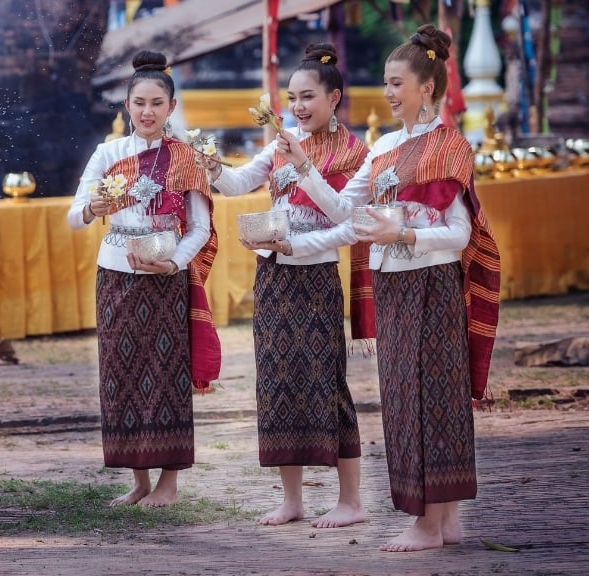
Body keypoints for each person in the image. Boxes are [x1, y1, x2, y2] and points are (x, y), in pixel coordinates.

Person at [287, 25, 501, 551]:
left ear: (426, 87)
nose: (387, 92)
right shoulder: (383, 146)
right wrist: (305, 171)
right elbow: (345, 210)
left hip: (431, 284)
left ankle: (433, 522)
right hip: (393, 285)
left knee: (434, 401)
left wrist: (402, 232)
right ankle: (441, 522)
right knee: (405, 400)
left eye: (396, 82)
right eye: (385, 82)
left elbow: (460, 233)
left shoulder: (449, 146)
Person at [206, 44, 371, 528]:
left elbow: (350, 222)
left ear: (334, 97)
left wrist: (304, 169)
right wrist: (212, 166)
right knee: (276, 384)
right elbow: (239, 185)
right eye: (292, 98)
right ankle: (292, 499)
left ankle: (352, 502)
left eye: (308, 98)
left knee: (326, 384)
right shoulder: (281, 140)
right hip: (273, 275)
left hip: (315, 277)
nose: (298, 108)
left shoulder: (353, 152)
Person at [68, 50, 220, 508]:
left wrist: (174, 263)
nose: (147, 112)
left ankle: (168, 484)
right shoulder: (108, 153)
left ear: (171, 107)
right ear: (127, 105)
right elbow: (75, 217)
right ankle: (138, 480)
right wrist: (94, 209)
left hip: (165, 279)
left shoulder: (187, 158)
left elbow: (199, 228)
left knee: (166, 373)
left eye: (157, 103)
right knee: (123, 372)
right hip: (115, 274)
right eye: (139, 103)